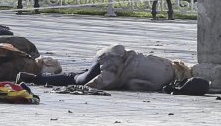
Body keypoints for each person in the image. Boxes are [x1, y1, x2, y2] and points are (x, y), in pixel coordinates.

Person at [17, 44, 191, 91]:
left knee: (80, 75)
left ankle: (32, 78)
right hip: (113, 68)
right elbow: (134, 84)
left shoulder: (166, 62)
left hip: (112, 53)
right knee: (79, 80)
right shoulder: (163, 80)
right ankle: (34, 79)